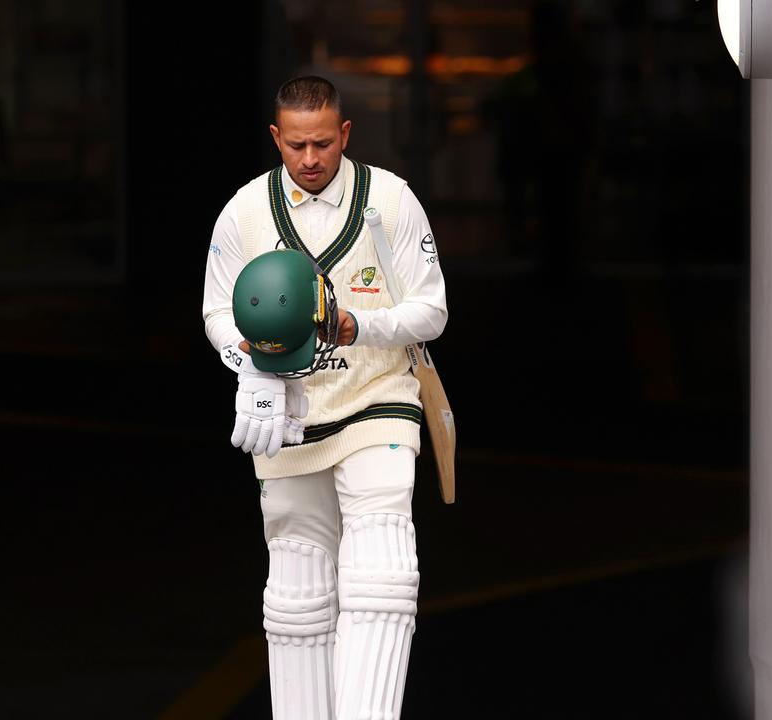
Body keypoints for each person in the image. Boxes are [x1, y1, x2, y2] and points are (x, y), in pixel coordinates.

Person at [201, 75, 447, 719]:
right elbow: (216, 313)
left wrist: (359, 325)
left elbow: (432, 310)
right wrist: (251, 368)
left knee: (382, 575)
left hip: (377, 397)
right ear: (277, 138)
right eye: (296, 145)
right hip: (287, 412)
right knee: (297, 595)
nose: (310, 160)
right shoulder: (246, 211)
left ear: (344, 135)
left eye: (323, 145)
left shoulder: (390, 199)